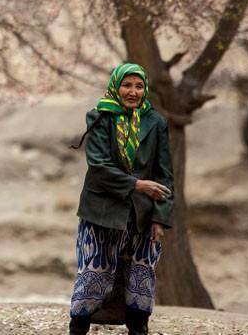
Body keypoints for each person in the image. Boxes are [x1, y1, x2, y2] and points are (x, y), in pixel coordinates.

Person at [68, 62, 174, 335]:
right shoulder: (100, 117)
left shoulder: (156, 122)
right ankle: (78, 328)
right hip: (102, 210)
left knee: (141, 274)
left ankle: (138, 329)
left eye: (139, 86)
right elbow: (99, 166)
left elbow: (164, 175)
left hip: (142, 214)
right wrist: (137, 185)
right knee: (94, 272)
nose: (133, 92)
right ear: (116, 86)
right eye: (127, 85)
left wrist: (160, 217)